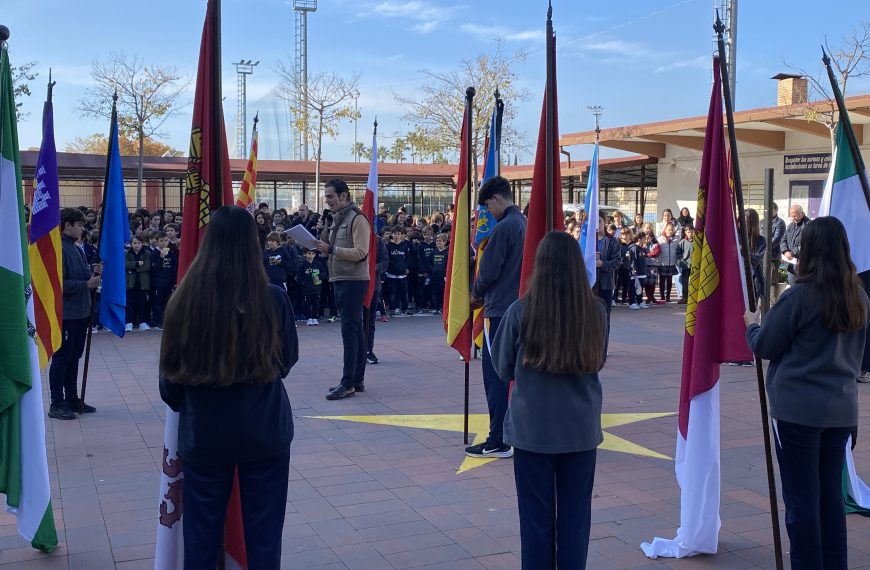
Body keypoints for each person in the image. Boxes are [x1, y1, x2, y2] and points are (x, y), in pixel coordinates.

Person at [159, 206, 298, 570]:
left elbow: (169, 385)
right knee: (264, 538)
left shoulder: (183, 302)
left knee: (201, 538)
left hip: (206, 433)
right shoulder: (272, 299)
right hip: (264, 430)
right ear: (253, 246)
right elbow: (286, 362)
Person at [744, 217, 869, 570]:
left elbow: (767, 345)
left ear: (808, 250)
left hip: (798, 412)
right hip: (841, 410)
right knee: (830, 496)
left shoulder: (799, 295)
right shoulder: (858, 295)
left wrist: (751, 325)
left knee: (802, 500)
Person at [492, 231, 606, 569]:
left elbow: (501, 368)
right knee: (575, 521)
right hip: (579, 432)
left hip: (533, 432)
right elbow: (597, 360)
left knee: (535, 522)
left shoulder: (520, 311)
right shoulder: (595, 312)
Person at [467, 176, 526, 459]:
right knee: (516, 376)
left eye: (488, 205)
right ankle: (510, 433)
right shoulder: (524, 224)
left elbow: (487, 272)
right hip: (521, 308)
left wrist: (474, 294)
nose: (487, 212)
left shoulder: (504, 228)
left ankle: (498, 439)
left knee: (496, 377)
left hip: (499, 310)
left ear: (497, 199)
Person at [313, 179, 371, 400]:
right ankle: (357, 379)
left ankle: (348, 383)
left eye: (330, 197)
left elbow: (361, 252)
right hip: (340, 278)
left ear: (344, 196)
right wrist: (325, 228)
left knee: (350, 332)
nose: (327, 201)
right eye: (326, 197)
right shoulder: (336, 219)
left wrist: (332, 248)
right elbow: (326, 249)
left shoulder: (357, 219)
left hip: (353, 280)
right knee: (355, 329)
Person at [48, 208, 101, 420]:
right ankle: (56, 402)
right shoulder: (59, 248)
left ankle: (71, 397)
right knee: (62, 358)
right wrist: (86, 283)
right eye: (79, 225)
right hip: (67, 313)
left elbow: (81, 276)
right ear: (67, 225)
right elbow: (58, 283)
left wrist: (93, 272)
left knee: (75, 357)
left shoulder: (77, 248)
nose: (82, 228)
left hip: (81, 311)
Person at [595, 211, 622, 354]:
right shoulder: (587, 240)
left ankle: (602, 349)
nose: (597, 224)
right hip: (589, 285)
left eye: (599, 221)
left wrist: (603, 264)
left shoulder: (611, 241)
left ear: (604, 222)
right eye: (594, 221)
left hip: (605, 284)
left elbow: (617, 262)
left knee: (604, 317)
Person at [150, 231, 178, 330]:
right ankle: (157, 321)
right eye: (161, 241)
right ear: (157, 242)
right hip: (158, 283)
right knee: (158, 303)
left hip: (168, 283)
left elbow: (175, 268)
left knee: (167, 302)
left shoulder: (171, 253)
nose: (164, 243)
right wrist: (161, 257)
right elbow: (155, 269)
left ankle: (166, 320)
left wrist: (174, 282)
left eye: (166, 240)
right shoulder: (154, 253)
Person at [125, 236, 152, 332]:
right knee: (130, 303)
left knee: (142, 303)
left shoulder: (147, 253)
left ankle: (142, 322)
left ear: (142, 244)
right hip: (130, 282)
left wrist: (132, 267)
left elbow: (147, 267)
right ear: (131, 244)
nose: (137, 245)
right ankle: (129, 323)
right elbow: (124, 265)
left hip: (142, 283)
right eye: (135, 243)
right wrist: (136, 263)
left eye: (139, 243)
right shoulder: (126, 253)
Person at [781, 204, 808, 285]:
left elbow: (806, 244)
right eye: (792, 216)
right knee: (792, 285)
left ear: (802, 214)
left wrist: (792, 253)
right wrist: (785, 251)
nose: (793, 219)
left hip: (803, 263)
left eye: (795, 216)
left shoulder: (808, 225)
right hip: (791, 264)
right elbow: (783, 240)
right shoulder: (790, 226)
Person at [297, 248, 326, 326]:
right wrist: (304, 283)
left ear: (315, 255)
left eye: (312, 254)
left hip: (316, 288)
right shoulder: (302, 265)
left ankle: (314, 317)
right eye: (309, 253)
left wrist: (319, 277)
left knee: (316, 303)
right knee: (307, 303)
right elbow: (299, 277)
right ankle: (308, 318)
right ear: (305, 254)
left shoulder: (318, 264)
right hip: (306, 289)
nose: (310, 255)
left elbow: (324, 272)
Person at [676, 226, 694, 304]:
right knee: (685, 282)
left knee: (694, 281)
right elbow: (678, 253)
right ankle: (684, 297)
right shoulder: (682, 242)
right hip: (685, 265)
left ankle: (693, 297)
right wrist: (682, 259)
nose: (690, 234)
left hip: (694, 265)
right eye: (689, 232)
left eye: (692, 232)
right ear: (686, 232)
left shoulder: (697, 241)